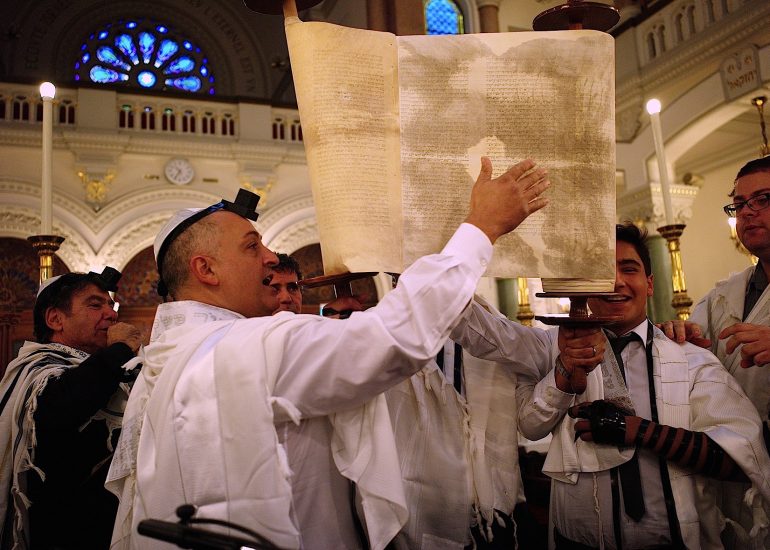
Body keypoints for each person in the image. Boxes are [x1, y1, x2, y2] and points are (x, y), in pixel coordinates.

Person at [106, 157, 551, 550]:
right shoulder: (246, 349)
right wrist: (481, 228)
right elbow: (388, 339)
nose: (269, 257)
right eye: (251, 246)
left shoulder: (171, 355)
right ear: (206, 269)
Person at [451, 223, 770, 549]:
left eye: (628, 269)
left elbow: (739, 458)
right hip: (577, 541)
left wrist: (637, 430)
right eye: (602, 271)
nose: (616, 281)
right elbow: (480, 331)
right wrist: (439, 264)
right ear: (585, 287)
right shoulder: (551, 346)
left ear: (649, 284)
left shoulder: (691, 359)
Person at [659, 156, 770, 545]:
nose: (748, 213)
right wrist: (680, 333)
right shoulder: (726, 294)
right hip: (732, 461)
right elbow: (692, 342)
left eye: (763, 199)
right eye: (739, 205)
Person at [0, 268, 142, 550]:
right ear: (55, 319)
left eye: (111, 305)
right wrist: (121, 348)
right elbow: (65, 404)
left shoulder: (105, 372)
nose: (112, 314)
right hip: (58, 533)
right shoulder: (36, 373)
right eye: (95, 304)